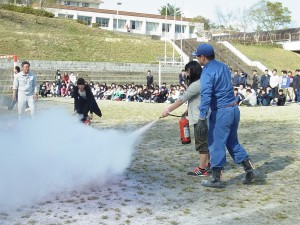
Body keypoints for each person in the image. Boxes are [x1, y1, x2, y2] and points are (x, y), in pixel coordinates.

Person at [193, 43, 260, 188]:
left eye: (197, 56)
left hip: (221, 112)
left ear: (203, 57)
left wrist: (202, 117)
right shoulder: (223, 66)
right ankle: (250, 171)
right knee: (232, 142)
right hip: (234, 109)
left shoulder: (207, 71)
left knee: (216, 143)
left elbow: (206, 94)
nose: (197, 59)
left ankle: (216, 179)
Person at [161, 61, 210, 176]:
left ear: (193, 71)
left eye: (188, 71)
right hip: (201, 116)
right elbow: (197, 100)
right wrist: (187, 111)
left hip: (200, 119)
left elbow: (181, 99)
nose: (186, 74)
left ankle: (202, 169)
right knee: (205, 142)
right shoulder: (202, 82)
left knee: (201, 144)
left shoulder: (196, 84)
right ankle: (209, 164)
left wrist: (168, 110)